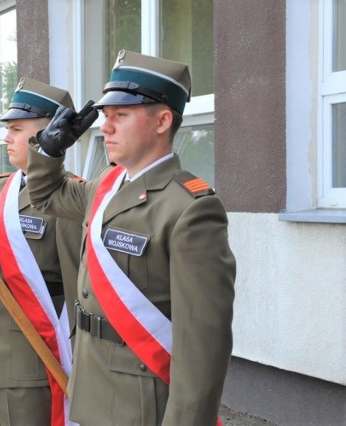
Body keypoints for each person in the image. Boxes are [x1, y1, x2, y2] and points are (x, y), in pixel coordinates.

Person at [26, 50, 236, 425]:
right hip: (91, 383)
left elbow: (204, 346)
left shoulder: (190, 208)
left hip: (141, 399)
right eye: (105, 117)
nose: (105, 127)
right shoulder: (104, 186)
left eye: (120, 116)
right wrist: (49, 150)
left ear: (163, 121)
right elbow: (45, 195)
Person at [0, 77, 83, 426]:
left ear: (47, 134)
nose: (6, 137)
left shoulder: (70, 198)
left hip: (34, 358)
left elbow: (76, 283)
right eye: (8, 128)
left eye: (17, 129)